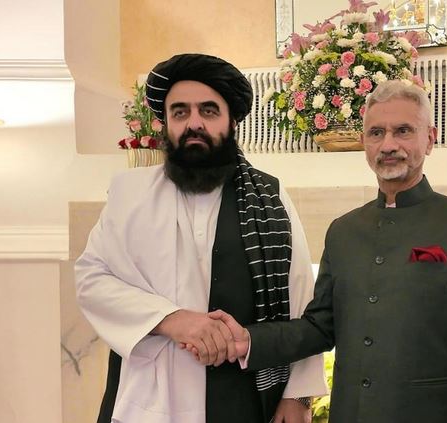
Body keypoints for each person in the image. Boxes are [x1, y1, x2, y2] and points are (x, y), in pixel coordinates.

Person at [202, 79, 447, 422]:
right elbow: (320, 326)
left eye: (403, 131)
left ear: (430, 139)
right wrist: (249, 340)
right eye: (376, 133)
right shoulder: (343, 231)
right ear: (364, 142)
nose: (388, 144)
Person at [75, 53, 326, 423]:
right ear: (166, 124)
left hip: (239, 395)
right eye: (180, 112)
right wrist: (172, 320)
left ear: (232, 121)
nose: (194, 123)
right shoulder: (129, 194)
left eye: (208, 111)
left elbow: (300, 299)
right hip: (146, 396)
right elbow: (92, 279)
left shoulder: (270, 197)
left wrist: (298, 395)